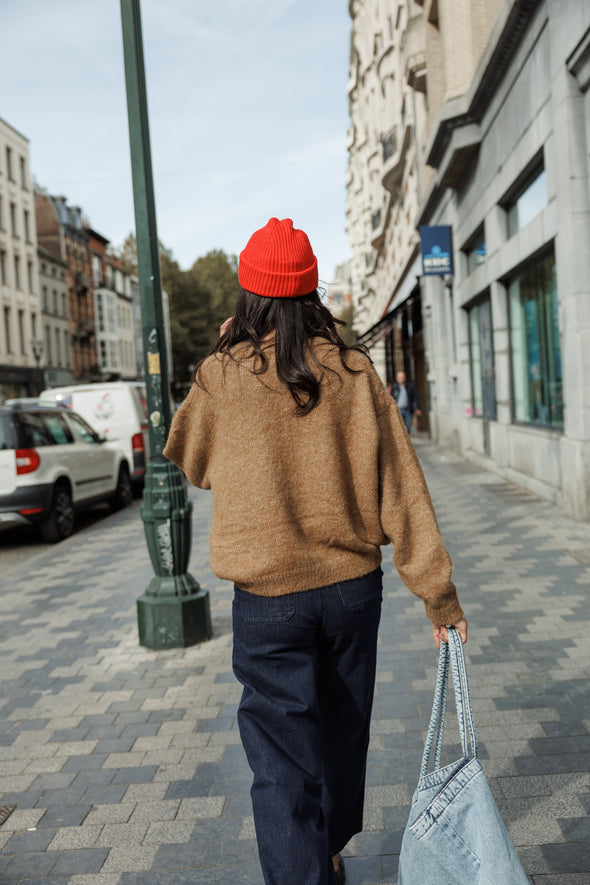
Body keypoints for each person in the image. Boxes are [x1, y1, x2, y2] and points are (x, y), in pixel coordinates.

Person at [163, 218, 467, 885]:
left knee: (282, 763)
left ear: (247, 294)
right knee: (340, 734)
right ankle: (327, 849)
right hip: (351, 591)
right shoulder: (354, 371)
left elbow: (191, 457)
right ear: (310, 292)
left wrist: (226, 364)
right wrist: (439, 598)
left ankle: (309, 865)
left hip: (267, 602)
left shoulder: (223, 375)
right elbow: (402, 491)